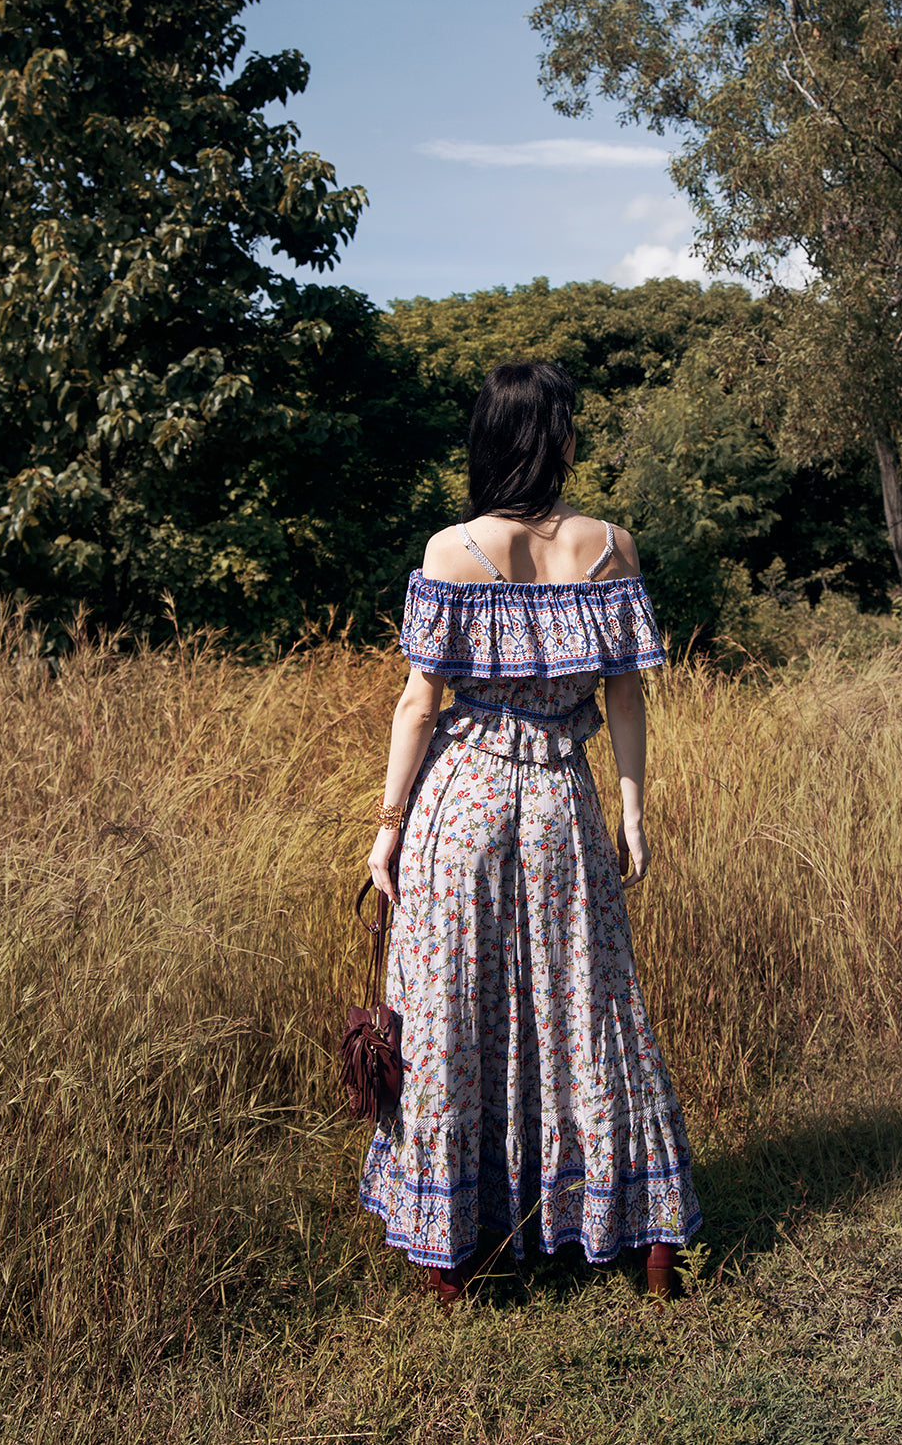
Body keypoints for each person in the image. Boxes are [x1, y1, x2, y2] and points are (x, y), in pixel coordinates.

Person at [360, 361, 701, 1306]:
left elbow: (418, 704)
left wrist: (387, 825)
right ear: (559, 442)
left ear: (486, 442)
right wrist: (632, 807)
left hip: (461, 805)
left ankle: (457, 1258)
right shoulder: (608, 548)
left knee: (451, 1021)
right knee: (591, 1014)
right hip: (562, 801)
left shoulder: (450, 551)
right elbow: (624, 695)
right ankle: (637, 1234)